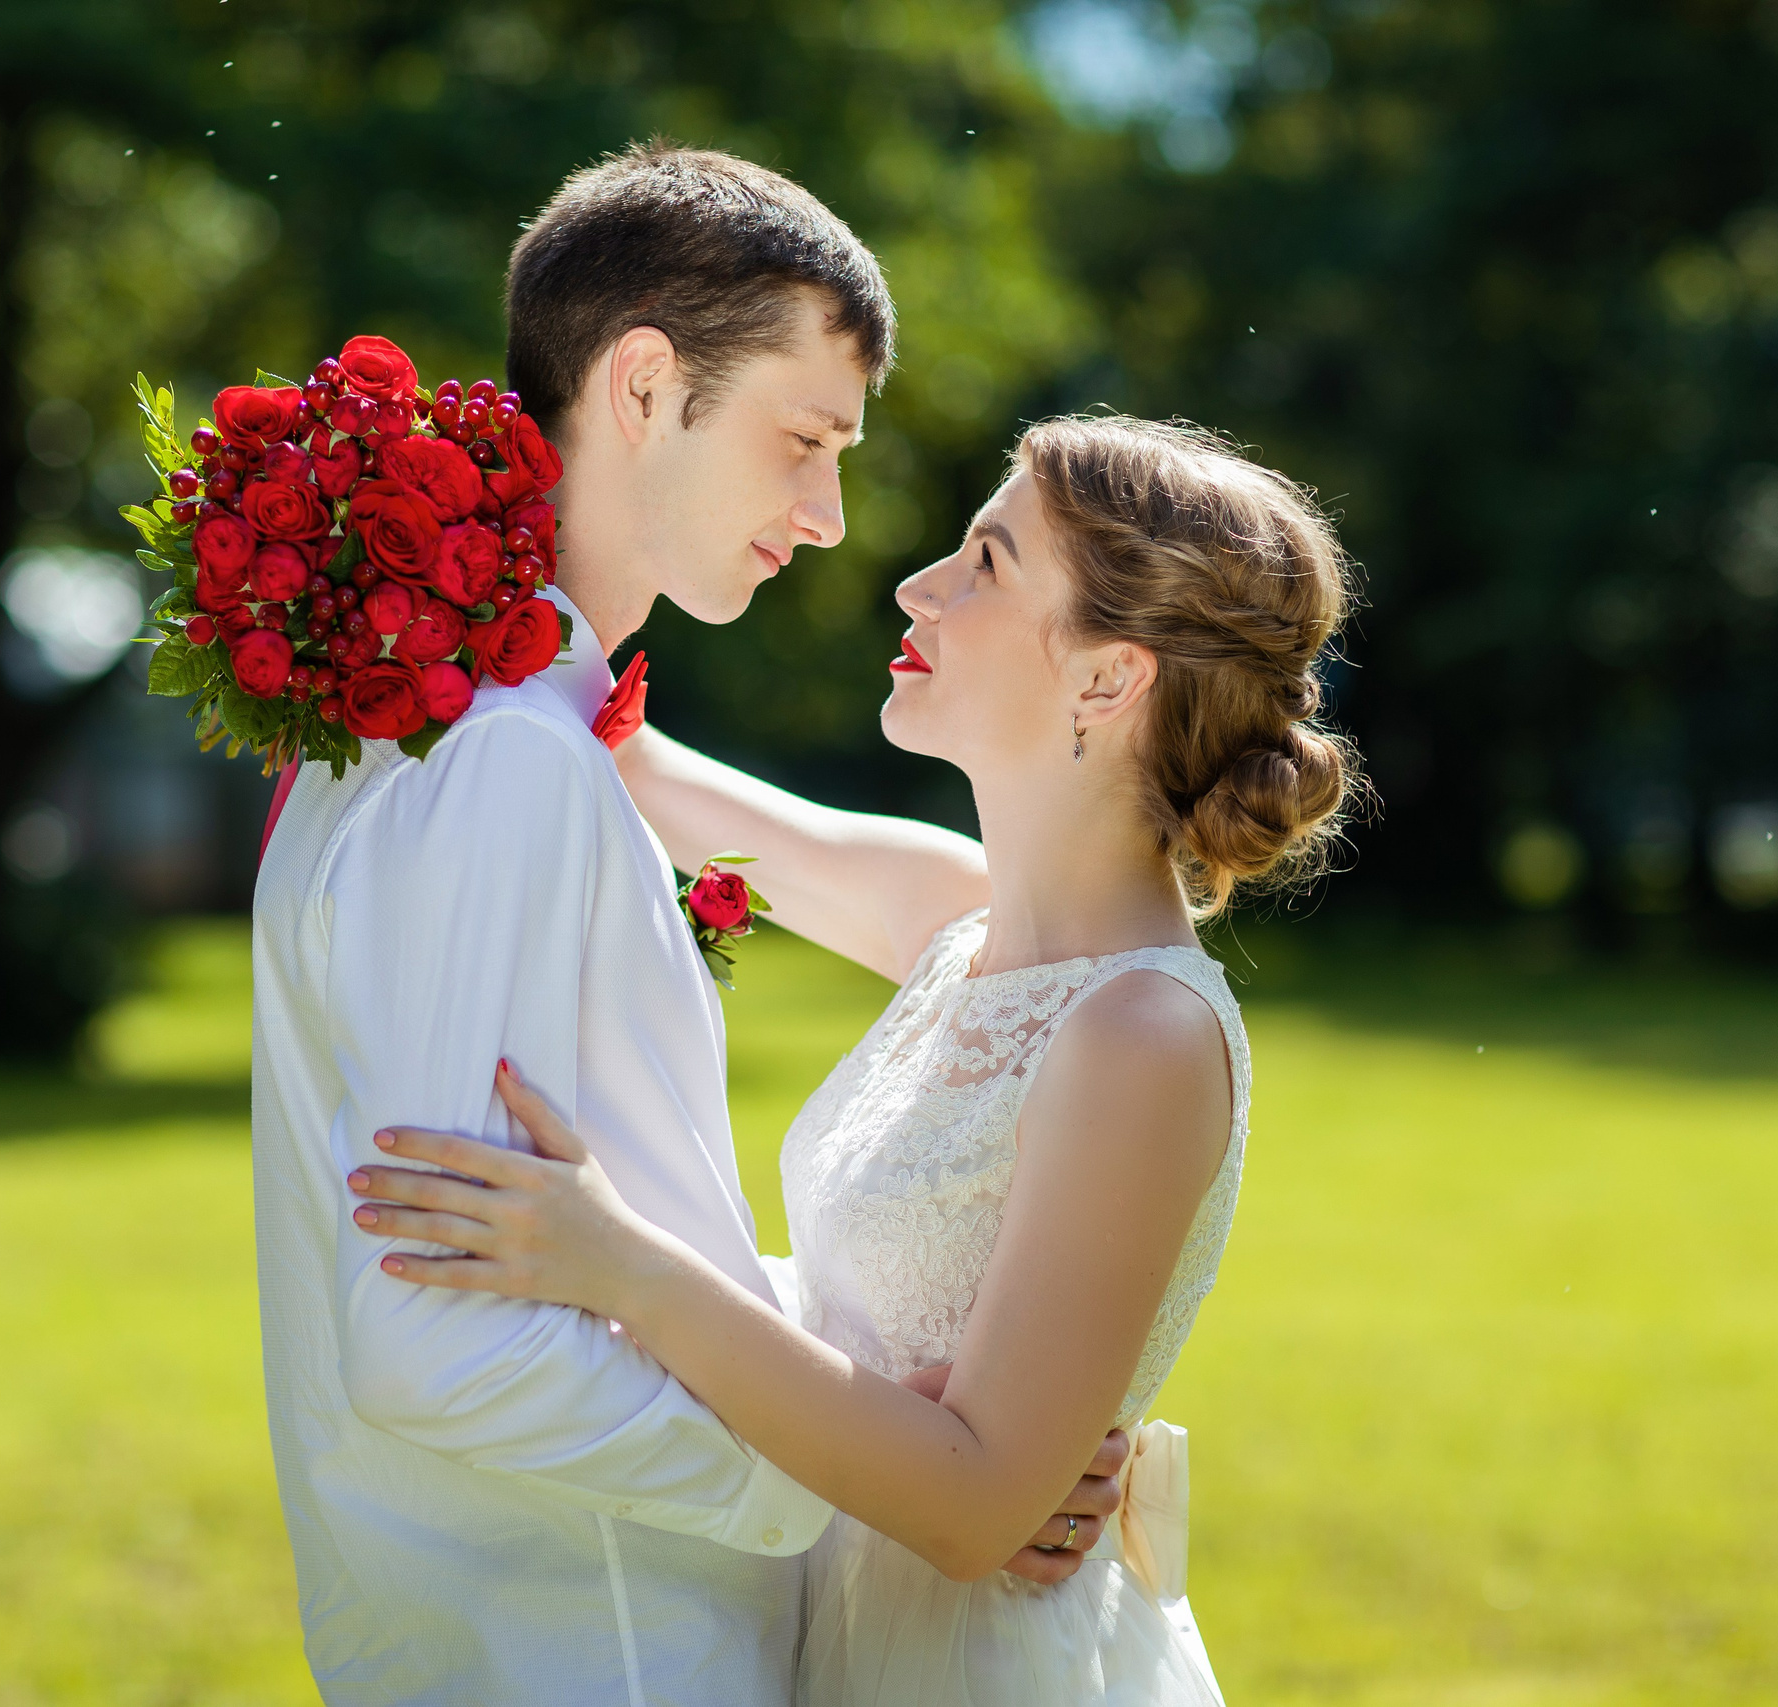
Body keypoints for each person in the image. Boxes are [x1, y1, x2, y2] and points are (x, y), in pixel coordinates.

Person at [251, 144, 1130, 1707]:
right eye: (804, 441)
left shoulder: (448, 728)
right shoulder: (504, 765)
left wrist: (940, 1430)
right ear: (645, 386)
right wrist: (864, 1489)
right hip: (601, 1650)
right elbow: (431, 1345)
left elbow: (601, 1233)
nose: (833, 517)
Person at [351, 413, 1361, 1704]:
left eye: (987, 564)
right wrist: (423, 548)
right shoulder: (949, 915)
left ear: (1108, 681)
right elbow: (629, 762)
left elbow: (974, 1509)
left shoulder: (1145, 1037)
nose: (915, 585)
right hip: (828, 1631)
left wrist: (622, 1264)